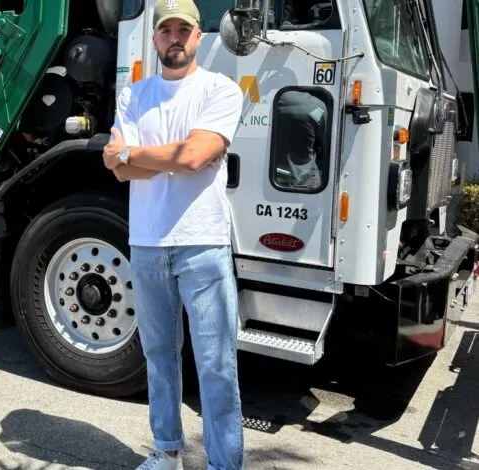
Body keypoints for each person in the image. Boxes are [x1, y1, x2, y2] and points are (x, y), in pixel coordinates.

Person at [101, 1, 244, 469]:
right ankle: (166, 453)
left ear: (199, 37)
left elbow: (193, 158)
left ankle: (225, 464)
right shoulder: (133, 93)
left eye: (184, 29)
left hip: (202, 244)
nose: (175, 38)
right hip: (146, 243)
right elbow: (116, 169)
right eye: (166, 30)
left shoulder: (220, 90)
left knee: (216, 365)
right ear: (155, 38)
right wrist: (143, 159)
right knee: (159, 357)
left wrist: (135, 154)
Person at [275, 90, 327, 190]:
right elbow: (325, 142)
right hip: (305, 178)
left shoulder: (273, 102)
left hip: (279, 171)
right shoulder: (318, 106)